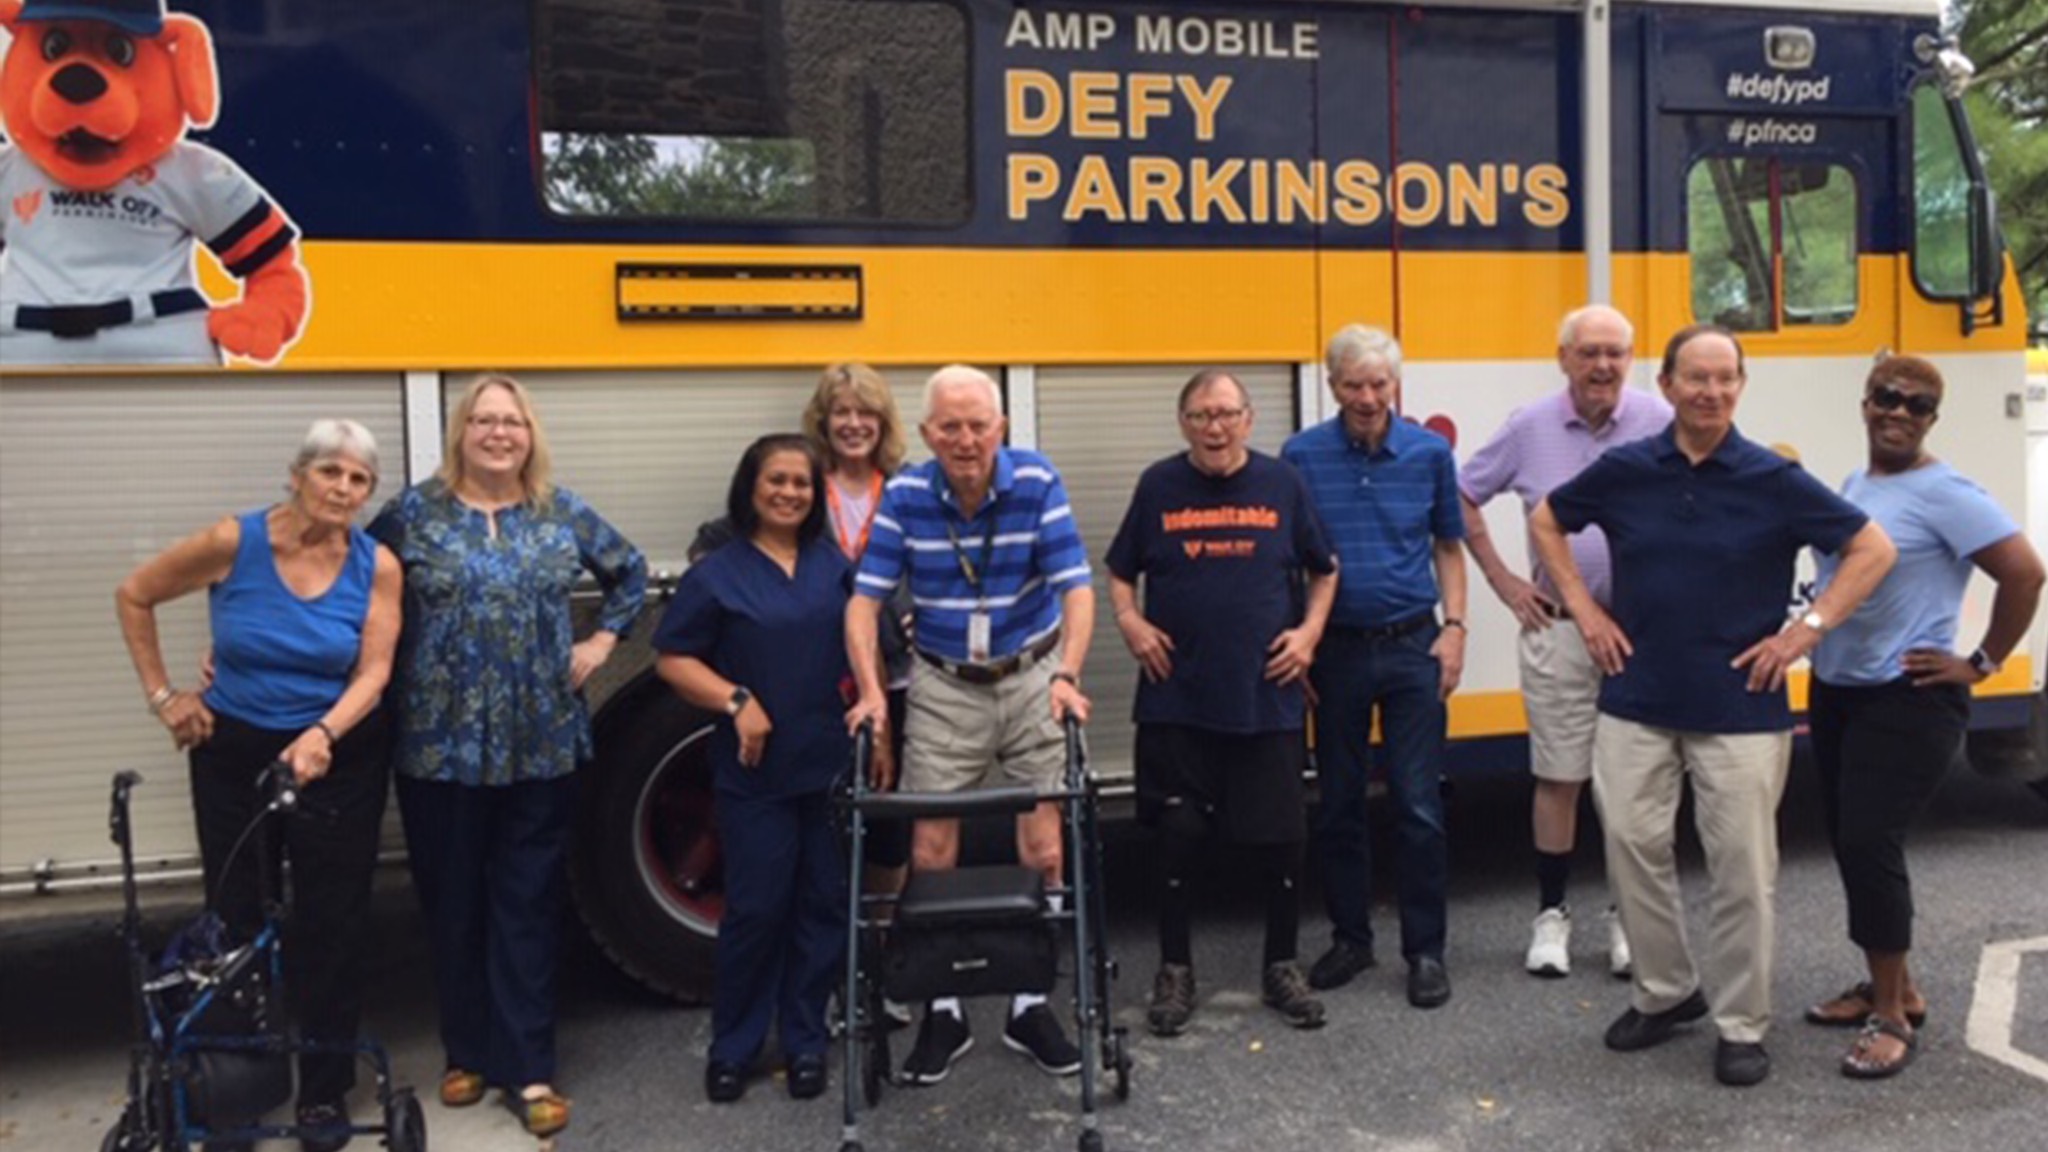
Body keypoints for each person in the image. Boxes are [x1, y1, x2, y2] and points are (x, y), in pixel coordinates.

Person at [1530, 324, 1896, 1088]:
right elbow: (1545, 521)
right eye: (1695, 378)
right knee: (1632, 848)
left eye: (1725, 378)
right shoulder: (1626, 469)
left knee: (1741, 869)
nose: (1711, 391)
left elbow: (1872, 550)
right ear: (1665, 386)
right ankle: (1666, 993)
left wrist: (1806, 631)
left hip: (1742, 704)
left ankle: (1740, 1022)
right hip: (1636, 697)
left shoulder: (1773, 478)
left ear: (1741, 385)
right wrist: (1584, 611)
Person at [368, 374, 646, 1138]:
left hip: (542, 740)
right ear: (461, 431)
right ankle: (468, 1051)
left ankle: (528, 1065)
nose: (498, 433)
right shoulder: (412, 515)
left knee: (525, 902)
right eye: (484, 420)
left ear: (530, 434)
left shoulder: (560, 511)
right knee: (453, 900)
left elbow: (630, 572)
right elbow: (347, 587)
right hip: (438, 744)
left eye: (512, 422)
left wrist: (601, 640)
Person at [115, 419, 401, 1151]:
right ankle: (235, 1084)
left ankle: (323, 1093)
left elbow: (373, 670)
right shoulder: (232, 542)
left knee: (332, 924)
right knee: (236, 920)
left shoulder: (378, 566)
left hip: (336, 754)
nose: (342, 489)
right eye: (329, 472)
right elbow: (135, 594)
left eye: (359, 479)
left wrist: (323, 734)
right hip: (232, 750)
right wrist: (165, 698)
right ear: (298, 474)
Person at [845, 364, 1095, 1085]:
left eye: (978, 424)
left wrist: (1069, 675)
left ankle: (1029, 1004)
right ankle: (943, 1008)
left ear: (1001, 429)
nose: (965, 439)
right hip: (946, 683)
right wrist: (870, 693)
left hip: (1030, 674)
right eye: (949, 426)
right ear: (925, 434)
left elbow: (1075, 587)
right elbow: (865, 602)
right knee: (931, 846)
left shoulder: (1038, 482)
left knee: (1045, 846)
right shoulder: (907, 495)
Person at [1802, 356, 2044, 1079]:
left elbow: (2026, 572)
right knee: (1851, 841)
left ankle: (1893, 1019)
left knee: (1872, 843)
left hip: (1907, 700)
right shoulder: (1859, 482)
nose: (1900, 412)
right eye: (1889, 398)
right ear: (1866, 403)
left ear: (1932, 419)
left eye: (1918, 405)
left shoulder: (1946, 492)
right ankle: (1893, 984)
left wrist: (1983, 661)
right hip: (1841, 691)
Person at [1106, 369, 1338, 1036]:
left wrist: (1310, 635)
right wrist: (1130, 622)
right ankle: (1175, 970)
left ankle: (1281, 965)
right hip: (1178, 698)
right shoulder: (1158, 485)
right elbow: (1121, 572)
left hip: (1266, 698)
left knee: (1283, 842)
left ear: (1249, 418)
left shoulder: (1282, 483)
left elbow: (1326, 570)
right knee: (1177, 841)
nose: (1215, 427)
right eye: (1202, 415)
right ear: (1184, 422)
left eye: (1227, 414)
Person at [655, 434, 872, 1104]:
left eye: (802, 484)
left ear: (816, 496)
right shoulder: (717, 572)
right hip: (755, 776)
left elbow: (865, 642)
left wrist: (876, 717)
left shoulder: (831, 564)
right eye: (775, 480)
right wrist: (736, 701)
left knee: (823, 906)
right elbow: (673, 658)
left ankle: (806, 1039)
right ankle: (736, 1045)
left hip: (828, 767)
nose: (788, 493)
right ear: (750, 487)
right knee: (756, 909)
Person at [1459, 304, 1671, 980]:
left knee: (1633, 783)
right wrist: (1505, 582)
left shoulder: (1659, 422)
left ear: (1631, 361)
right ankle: (1551, 917)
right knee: (1559, 777)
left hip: (1641, 635)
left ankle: (1625, 920)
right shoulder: (1529, 427)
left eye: (1615, 353)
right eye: (1589, 353)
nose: (1602, 366)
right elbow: (1461, 496)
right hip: (1558, 631)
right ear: (1564, 360)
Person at [1282, 324, 1468, 1010]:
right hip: (1336, 652)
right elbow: (1289, 561)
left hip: (1414, 646)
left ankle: (1426, 952)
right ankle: (1351, 939)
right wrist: (1299, 641)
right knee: (1337, 804)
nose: (1367, 397)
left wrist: (1455, 629)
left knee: (1420, 806)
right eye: (1354, 384)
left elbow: (1450, 546)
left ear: (1396, 384)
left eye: (1379, 383)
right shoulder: (1299, 456)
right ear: (1332, 386)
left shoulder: (1427, 454)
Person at [801, 365, 915, 988]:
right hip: (821, 681)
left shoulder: (905, 490)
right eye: (841, 412)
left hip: (894, 680)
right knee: (825, 826)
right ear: (824, 420)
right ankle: (828, 968)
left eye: (865, 413)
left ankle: (880, 960)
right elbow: (726, 538)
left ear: (883, 423)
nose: (852, 424)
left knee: (890, 825)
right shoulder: (800, 487)